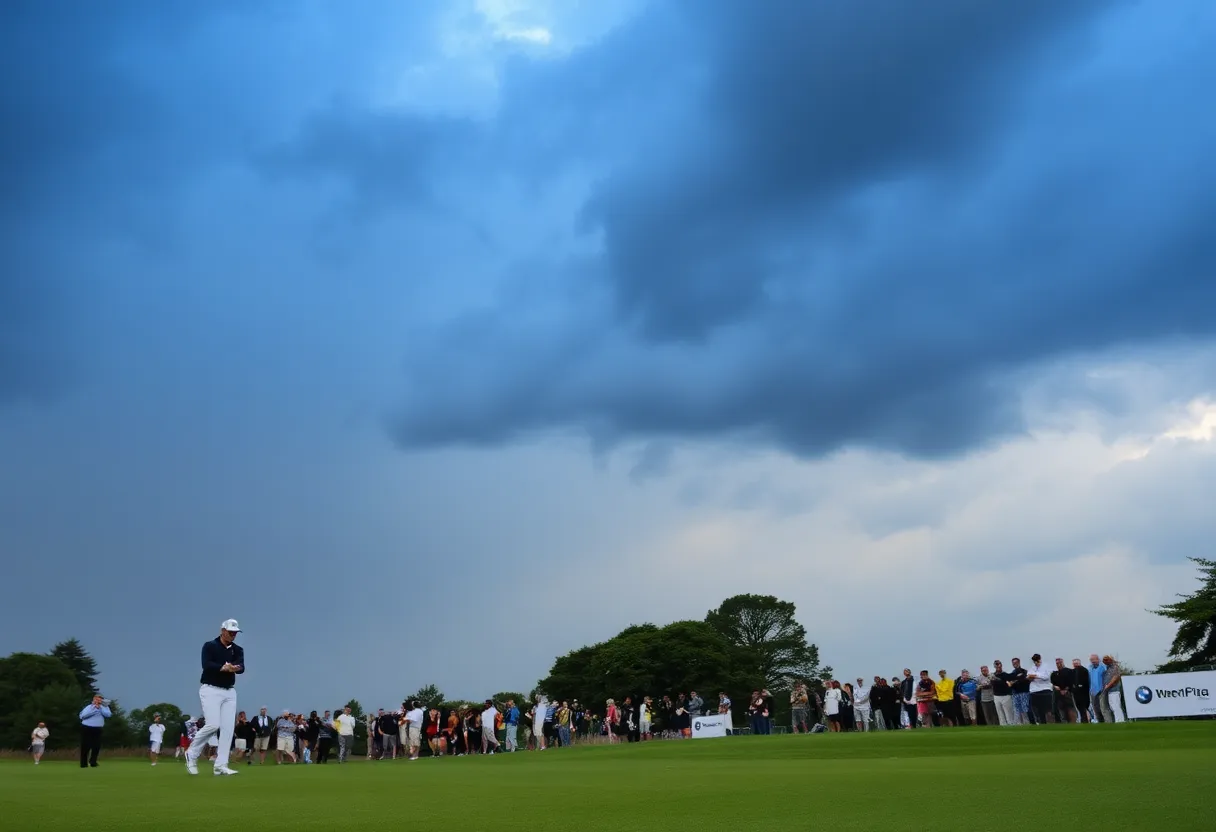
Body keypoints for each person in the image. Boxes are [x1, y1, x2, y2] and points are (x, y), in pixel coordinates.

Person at [186, 619, 244, 776]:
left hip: (229, 691)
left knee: (227, 730)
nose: (233, 635)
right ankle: (192, 753)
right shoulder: (210, 646)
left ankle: (221, 765)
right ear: (222, 630)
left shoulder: (238, 650)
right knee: (213, 725)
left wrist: (234, 667)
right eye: (230, 632)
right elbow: (206, 664)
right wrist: (223, 667)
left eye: (235, 633)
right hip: (210, 689)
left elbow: (241, 667)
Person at [79, 694, 112, 768]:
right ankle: (83, 764)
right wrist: (94, 710)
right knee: (85, 746)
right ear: (93, 700)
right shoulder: (89, 707)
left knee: (96, 746)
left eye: (99, 699)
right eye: (96, 699)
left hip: (98, 728)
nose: (97, 701)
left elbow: (108, 715)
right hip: (87, 728)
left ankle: (93, 762)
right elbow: (83, 716)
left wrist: (100, 708)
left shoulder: (105, 707)